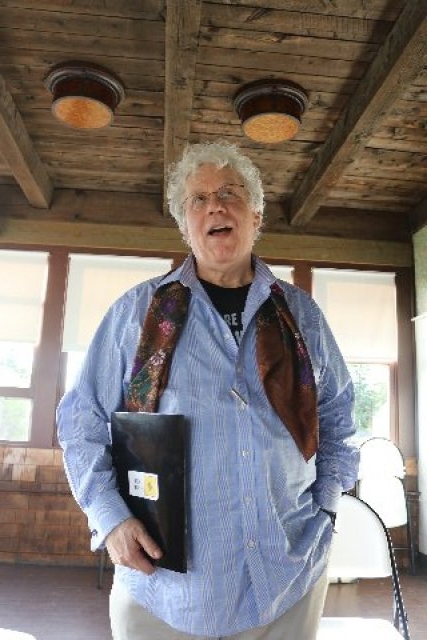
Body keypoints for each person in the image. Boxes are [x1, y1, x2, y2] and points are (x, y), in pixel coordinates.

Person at [57, 141, 359, 640]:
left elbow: (339, 418)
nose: (215, 206)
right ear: (185, 224)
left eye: (230, 193)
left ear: (256, 216)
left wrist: (326, 507)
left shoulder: (302, 316)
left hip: (290, 581)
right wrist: (109, 518)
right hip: (165, 593)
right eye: (198, 199)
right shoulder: (136, 314)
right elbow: (81, 421)